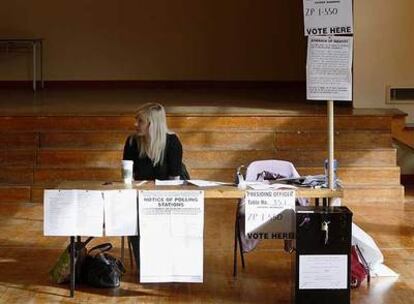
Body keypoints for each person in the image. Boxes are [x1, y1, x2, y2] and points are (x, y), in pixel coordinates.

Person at [122, 102, 184, 270]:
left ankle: (167, 263)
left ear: (152, 124)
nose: (135, 124)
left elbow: (175, 180)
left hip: (168, 196)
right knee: (134, 218)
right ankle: (145, 266)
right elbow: (128, 176)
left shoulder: (172, 142)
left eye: (140, 121)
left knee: (165, 221)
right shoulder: (131, 142)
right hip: (141, 194)